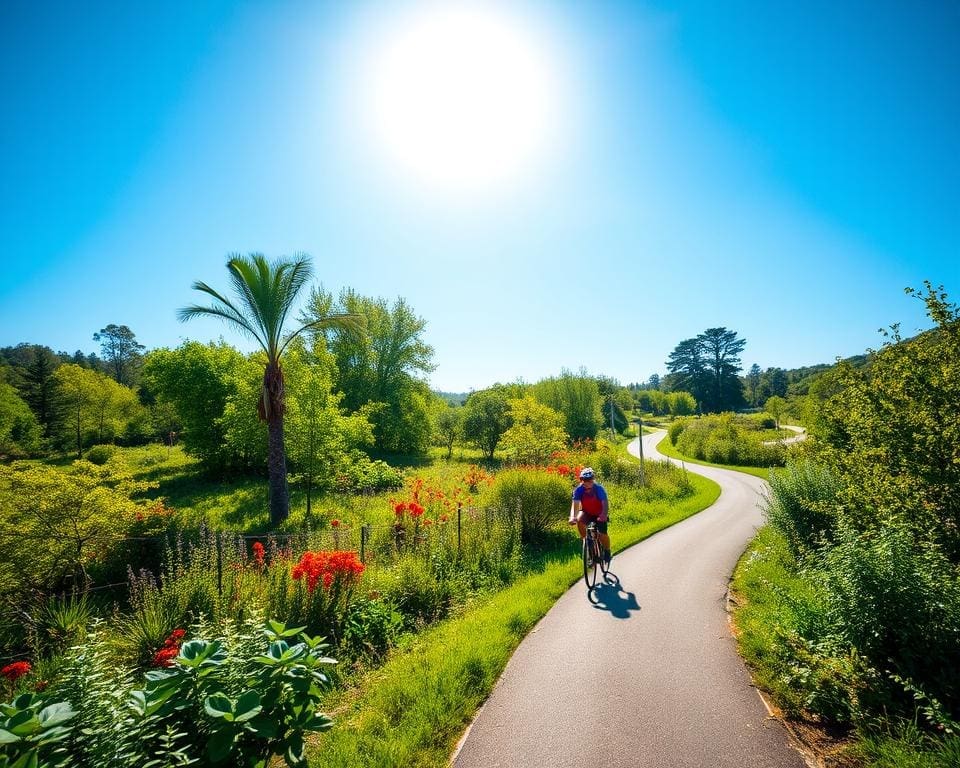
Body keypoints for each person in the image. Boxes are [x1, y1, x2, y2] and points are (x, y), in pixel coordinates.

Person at [568, 467, 610, 565]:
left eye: (590, 480)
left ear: (593, 479)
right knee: (579, 520)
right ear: (581, 481)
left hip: (599, 513)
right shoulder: (579, 490)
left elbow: (605, 503)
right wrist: (572, 517)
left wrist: (603, 515)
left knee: (602, 534)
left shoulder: (599, 489)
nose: (588, 482)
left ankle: (607, 550)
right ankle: (586, 542)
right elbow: (575, 505)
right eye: (585, 480)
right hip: (587, 512)